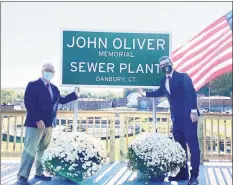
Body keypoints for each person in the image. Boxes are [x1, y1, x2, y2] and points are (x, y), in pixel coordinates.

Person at [138, 56, 200, 185]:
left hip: (189, 117)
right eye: (162, 65)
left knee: (193, 147)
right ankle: (183, 173)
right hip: (176, 119)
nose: (165, 66)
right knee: (180, 147)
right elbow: (160, 92)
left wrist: (194, 110)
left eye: (166, 63)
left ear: (171, 63)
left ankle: (194, 176)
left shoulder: (183, 77)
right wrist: (146, 94)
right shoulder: (163, 81)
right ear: (160, 68)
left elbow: (191, 93)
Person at [17, 63, 80, 185]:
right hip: (35, 124)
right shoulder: (33, 85)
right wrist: (37, 119)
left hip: (49, 125)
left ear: (54, 74)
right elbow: (29, 103)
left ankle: (39, 173)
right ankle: (22, 177)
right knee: (29, 151)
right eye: (47, 70)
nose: (49, 72)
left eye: (51, 71)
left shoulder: (54, 88)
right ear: (42, 71)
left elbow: (60, 100)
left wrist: (74, 95)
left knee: (43, 151)